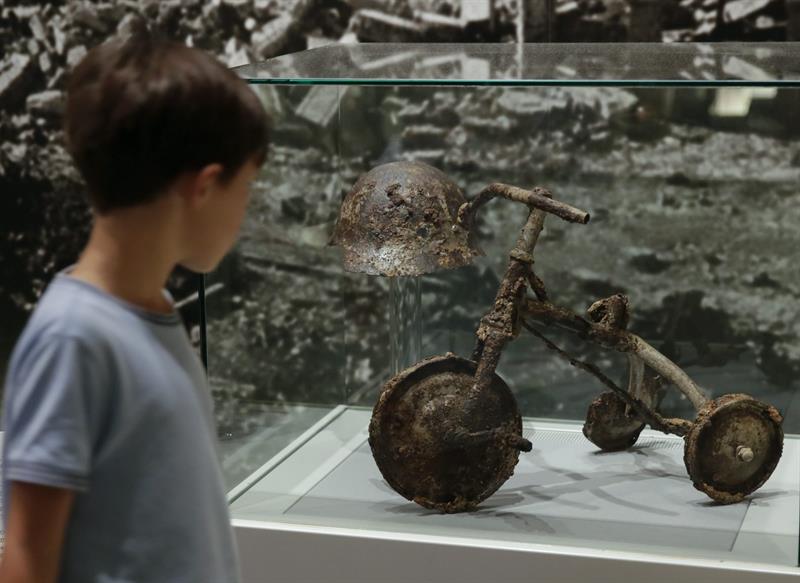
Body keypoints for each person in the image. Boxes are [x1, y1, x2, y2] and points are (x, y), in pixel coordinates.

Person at [0, 31, 269, 583]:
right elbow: (28, 552)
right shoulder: (73, 339)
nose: (246, 211)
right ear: (206, 184)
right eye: (248, 187)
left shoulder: (154, 311)